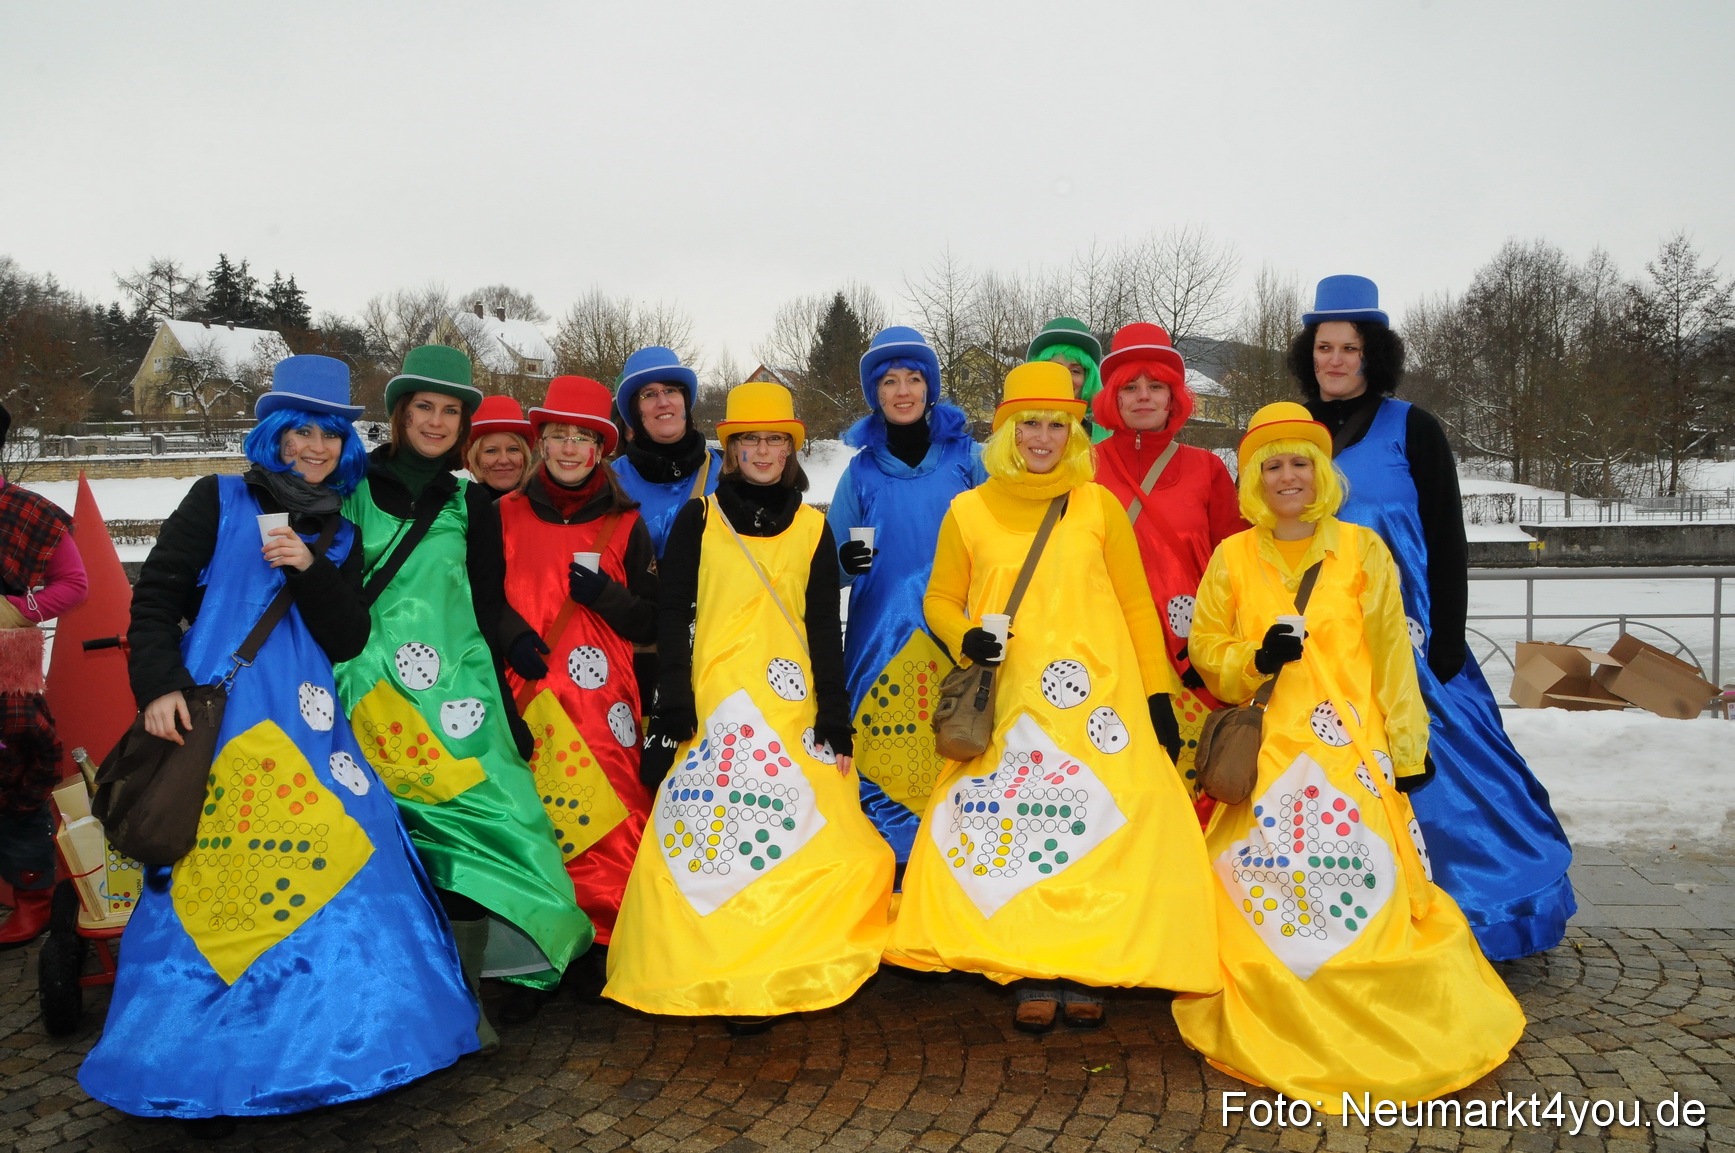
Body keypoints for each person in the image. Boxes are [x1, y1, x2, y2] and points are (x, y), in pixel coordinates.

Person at [80, 356, 478, 1125]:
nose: (314, 448)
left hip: (310, 725)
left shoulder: (339, 529)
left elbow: (347, 634)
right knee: (215, 882)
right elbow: (154, 598)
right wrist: (158, 686)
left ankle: (346, 1046)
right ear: (274, 435)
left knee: (355, 856)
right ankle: (201, 1058)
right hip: (219, 726)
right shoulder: (217, 499)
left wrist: (308, 568)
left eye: (328, 435)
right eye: (300, 431)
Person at [1172, 401, 1524, 1109]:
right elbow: (1205, 650)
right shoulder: (1232, 556)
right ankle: (1283, 1019)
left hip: (1350, 759)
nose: (1287, 477)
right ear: (1253, 479)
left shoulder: (1362, 551)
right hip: (1268, 761)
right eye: (1272, 465)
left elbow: (1393, 658)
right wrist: (1254, 657)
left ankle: (1383, 1025)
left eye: (1300, 462)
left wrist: (1407, 747)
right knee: (1261, 900)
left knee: (1366, 895)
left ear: (1321, 471)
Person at [885, 361, 1218, 1034]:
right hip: (1011, 702)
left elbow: (1135, 604)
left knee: (1102, 831)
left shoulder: (1096, 504)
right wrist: (966, 636)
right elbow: (940, 598)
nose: (1042, 438)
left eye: (1057, 425)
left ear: (1074, 432)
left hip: (1101, 705)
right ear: (1006, 431)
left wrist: (1157, 694)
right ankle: (1032, 969)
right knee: (1022, 832)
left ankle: (1087, 967)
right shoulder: (969, 509)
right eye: (1029, 424)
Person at [1291, 275, 1574, 960]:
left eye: (1349, 347)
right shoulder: (1289, 429)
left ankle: (1476, 911)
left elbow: (1446, 538)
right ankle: (1347, 915)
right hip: (1319, 643)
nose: (1335, 359)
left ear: (1373, 353)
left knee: (1450, 773)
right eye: (1324, 347)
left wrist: (1447, 639)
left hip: (1410, 639)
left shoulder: (1412, 428)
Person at [606, 381, 893, 1031]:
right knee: (716, 839)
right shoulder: (698, 518)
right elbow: (673, 613)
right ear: (730, 450)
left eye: (774, 440)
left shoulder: (814, 528)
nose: (762, 451)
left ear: (790, 449)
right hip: (714, 704)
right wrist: (673, 698)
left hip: (790, 706)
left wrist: (834, 713)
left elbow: (824, 629)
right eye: (749, 440)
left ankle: (779, 961)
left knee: (811, 832)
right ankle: (718, 964)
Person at [333, 345, 591, 1047]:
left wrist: (505, 707)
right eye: (424, 406)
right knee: (396, 843)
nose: (437, 421)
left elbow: (484, 601)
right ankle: (395, 1000)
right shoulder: (351, 487)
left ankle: (467, 996)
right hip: (371, 696)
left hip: (460, 701)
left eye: (451, 410)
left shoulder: (469, 501)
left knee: (501, 824)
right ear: (399, 414)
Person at [498, 376, 657, 966]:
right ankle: (534, 953)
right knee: (532, 820)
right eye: (559, 435)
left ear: (600, 450)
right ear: (541, 443)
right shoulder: (501, 515)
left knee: (613, 821)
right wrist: (511, 636)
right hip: (525, 697)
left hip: (602, 711)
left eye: (582, 438)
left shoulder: (627, 524)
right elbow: (476, 599)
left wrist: (606, 597)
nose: (569, 448)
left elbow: (650, 620)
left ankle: (609, 942)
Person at [825, 327, 986, 872]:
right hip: (878, 641)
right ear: (875, 393)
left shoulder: (969, 458)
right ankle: (889, 868)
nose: (902, 391)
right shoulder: (860, 470)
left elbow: (1002, 542)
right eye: (889, 381)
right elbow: (829, 569)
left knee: (963, 741)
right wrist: (847, 560)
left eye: (913, 379)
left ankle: (956, 866)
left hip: (957, 633)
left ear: (929, 387)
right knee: (881, 758)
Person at [1091, 323, 1246, 793]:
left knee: (1194, 776)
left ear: (1173, 396)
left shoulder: (1207, 467)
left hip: (1191, 651)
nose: (1143, 396)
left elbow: (1235, 563)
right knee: (1117, 777)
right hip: (1111, 644)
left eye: (1155, 386)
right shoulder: (1084, 465)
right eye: (1129, 387)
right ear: (1112, 398)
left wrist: (1221, 644)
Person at [0, 399, 88, 948]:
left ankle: (32, 898)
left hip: (6, 664)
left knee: (16, 773)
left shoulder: (27, 511)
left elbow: (75, 585)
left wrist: (17, 609)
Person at [610, 345, 724, 714]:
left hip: (713, 649)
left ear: (685, 402)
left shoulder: (725, 472)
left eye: (671, 390)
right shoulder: (610, 481)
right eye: (648, 394)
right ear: (635, 412)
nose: (662, 402)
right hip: (633, 652)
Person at [1026, 317, 1107, 442]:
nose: (1065, 378)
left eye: (1075, 371)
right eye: (1055, 368)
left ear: (1088, 379)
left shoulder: (1107, 440)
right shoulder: (1014, 436)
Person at [465, 394, 534, 497]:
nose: (504, 460)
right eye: (491, 451)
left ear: (525, 456)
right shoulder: (456, 505)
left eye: (513, 449)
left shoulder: (546, 503)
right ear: (475, 459)